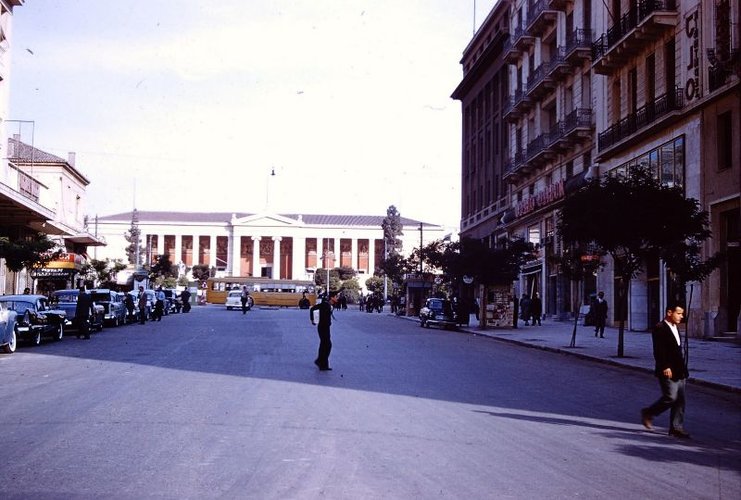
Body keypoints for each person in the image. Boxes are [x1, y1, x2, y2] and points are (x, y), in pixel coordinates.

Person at [641, 305, 690, 439]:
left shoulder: (675, 327)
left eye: (682, 314)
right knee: (670, 397)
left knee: (680, 400)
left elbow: (677, 349)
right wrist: (665, 366)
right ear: (669, 312)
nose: (681, 316)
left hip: (680, 369)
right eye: (679, 313)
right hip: (667, 369)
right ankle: (648, 412)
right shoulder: (660, 328)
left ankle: (676, 428)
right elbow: (659, 350)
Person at [309, 292, 336, 371]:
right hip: (323, 327)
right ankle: (321, 362)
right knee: (327, 345)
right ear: (331, 298)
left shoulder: (328, 305)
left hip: (325, 327)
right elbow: (312, 309)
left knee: (324, 345)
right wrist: (313, 319)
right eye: (335, 297)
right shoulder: (324, 304)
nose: (337, 298)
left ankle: (322, 363)